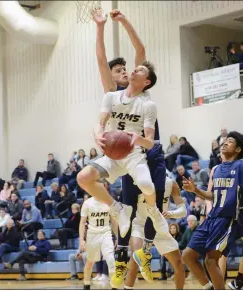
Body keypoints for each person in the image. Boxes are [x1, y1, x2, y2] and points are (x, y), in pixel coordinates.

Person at [91, 9, 168, 286]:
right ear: (113, 78)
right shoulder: (111, 95)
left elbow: (141, 49)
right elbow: (100, 60)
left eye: (127, 69)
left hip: (151, 153)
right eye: (120, 71)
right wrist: (100, 27)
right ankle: (123, 266)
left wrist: (123, 21)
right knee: (127, 211)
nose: (125, 72)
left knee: (152, 207)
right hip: (128, 157)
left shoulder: (143, 91)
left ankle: (143, 253)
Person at [182, 131, 243, 290]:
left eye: (229, 141)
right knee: (187, 256)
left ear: (237, 150)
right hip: (211, 219)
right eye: (224, 140)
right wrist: (195, 190)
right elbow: (212, 196)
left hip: (226, 219)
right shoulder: (216, 169)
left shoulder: (240, 166)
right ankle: (209, 287)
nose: (224, 143)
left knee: (210, 260)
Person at [123, 177, 186, 289]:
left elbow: (183, 211)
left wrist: (171, 213)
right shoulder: (138, 180)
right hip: (140, 224)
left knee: (179, 263)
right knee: (135, 258)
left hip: (159, 225)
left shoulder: (171, 183)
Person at [79, 196, 118, 290]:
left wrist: (117, 237)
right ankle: (86, 284)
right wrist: (81, 239)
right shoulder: (87, 203)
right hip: (92, 234)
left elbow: (113, 221)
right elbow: (82, 222)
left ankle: (114, 287)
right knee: (90, 263)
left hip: (106, 233)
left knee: (111, 261)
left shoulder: (109, 202)